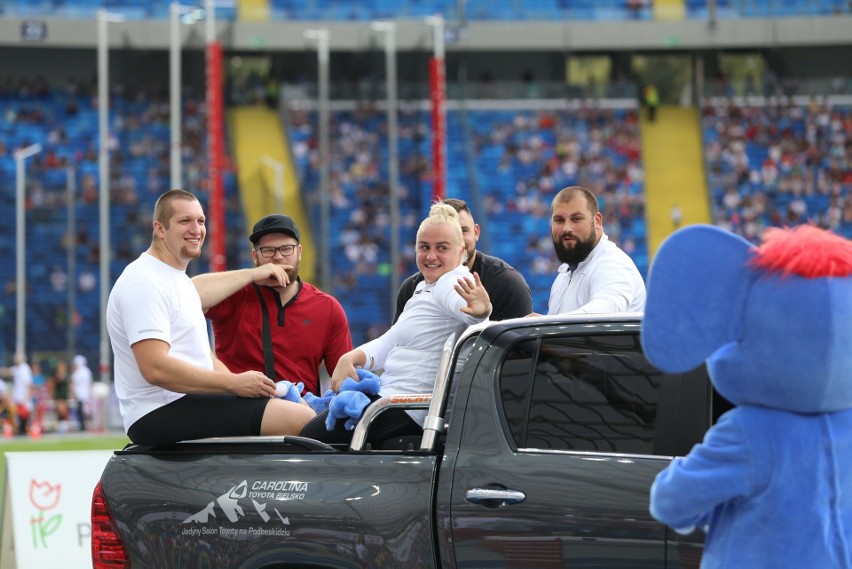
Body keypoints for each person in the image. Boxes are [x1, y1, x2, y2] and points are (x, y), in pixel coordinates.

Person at [106, 189, 315, 446]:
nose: (196, 229)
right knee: (299, 419)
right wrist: (234, 384)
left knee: (296, 410)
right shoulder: (144, 281)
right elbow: (154, 368)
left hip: (184, 401)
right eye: (185, 221)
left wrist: (253, 391)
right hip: (157, 411)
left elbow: (204, 357)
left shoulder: (177, 280)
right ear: (160, 229)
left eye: (201, 221)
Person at [301, 203, 492, 445]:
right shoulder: (424, 286)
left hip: (406, 409)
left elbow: (467, 310)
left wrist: (479, 312)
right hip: (390, 401)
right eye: (424, 247)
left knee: (309, 438)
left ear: (460, 250)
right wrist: (350, 358)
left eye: (442, 248)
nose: (431, 256)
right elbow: (390, 341)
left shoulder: (453, 281)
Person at [192, 214, 352, 396]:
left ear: (299, 252)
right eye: (268, 250)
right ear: (255, 256)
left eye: (286, 249)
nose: (277, 257)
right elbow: (185, 295)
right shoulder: (235, 294)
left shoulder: (327, 307)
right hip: (239, 407)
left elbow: (344, 380)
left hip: (303, 412)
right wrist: (251, 275)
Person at [394, 198, 532, 323]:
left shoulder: (507, 283)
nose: (457, 240)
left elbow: (522, 348)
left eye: (462, 231)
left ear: (476, 232)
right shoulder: (411, 289)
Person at [533, 186, 646, 316]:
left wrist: (547, 324)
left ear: (597, 221)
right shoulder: (561, 278)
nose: (566, 228)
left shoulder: (612, 263)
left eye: (576, 219)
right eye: (559, 220)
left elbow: (608, 311)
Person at [0, 354, 33, 435]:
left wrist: (26, 398)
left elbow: (29, 385)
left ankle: (23, 431)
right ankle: (19, 431)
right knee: (16, 414)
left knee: (23, 415)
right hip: (18, 397)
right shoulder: (18, 368)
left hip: (23, 398)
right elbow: (8, 371)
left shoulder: (25, 369)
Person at [70, 354, 93, 431]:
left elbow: (72, 383)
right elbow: (90, 383)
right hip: (86, 394)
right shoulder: (87, 371)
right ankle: (87, 426)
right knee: (86, 411)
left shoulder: (77, 372)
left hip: (79, 394)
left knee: (81, 411)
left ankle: (83, 426)